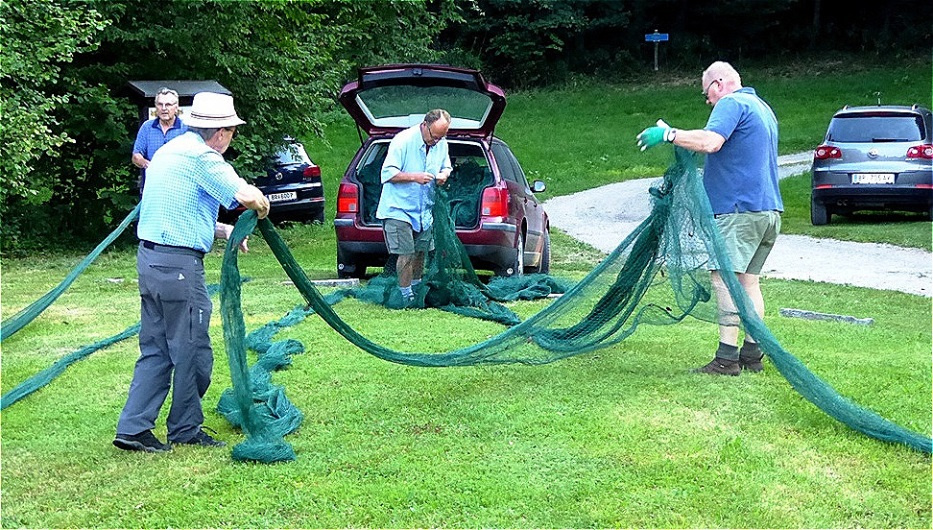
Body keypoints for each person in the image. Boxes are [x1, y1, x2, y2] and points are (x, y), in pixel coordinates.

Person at [114, 92, 270, 452]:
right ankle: (185, 428)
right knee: (193, 348)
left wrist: (224, 230)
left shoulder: (171, 150)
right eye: (231, 131)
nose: (231, 139)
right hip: (179, 267)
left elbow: (175, 206)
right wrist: (261, 207)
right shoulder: (205, 157)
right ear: (221, 132)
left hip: (150, 259)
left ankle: (133, 428)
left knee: (155, 347)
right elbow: (248, 197)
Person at [636, 61, 783, 376]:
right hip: (768, 211)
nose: (708, 101)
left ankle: (727, 358)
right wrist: (675, 136)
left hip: (739, 210)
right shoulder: (761, 107)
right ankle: (752, 354)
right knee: (748, 281)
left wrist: (668, 134)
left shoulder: (732, 103)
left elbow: (710, 142)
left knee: (724, 278)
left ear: (718, 83)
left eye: (707, 94)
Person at [377, 109, 453, 304]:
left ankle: (417, 290)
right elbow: (387, 174)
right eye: (434, 136)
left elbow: (446, 166)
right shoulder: (402, 141)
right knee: (406, 253)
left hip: (424, 210)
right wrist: (414, 176)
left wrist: (444, 175)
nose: (436, 141)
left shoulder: (441, 143)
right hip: (398, 208)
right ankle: (405, 297)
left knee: (421, 251)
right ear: (424, 125)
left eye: (441, 137)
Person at [131, 87, 188, 192]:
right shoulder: (147, 127)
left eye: (168, 105)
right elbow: (136, 155)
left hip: (179, 188)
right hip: (152, 188)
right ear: (156, 107)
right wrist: (148, 164)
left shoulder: (186, 129)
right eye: (160, 104)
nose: (164, 108)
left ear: (176, 107)